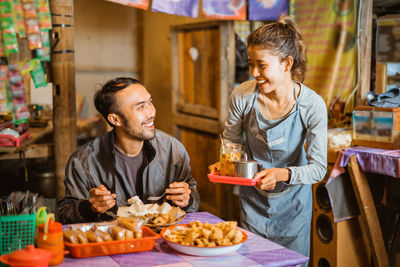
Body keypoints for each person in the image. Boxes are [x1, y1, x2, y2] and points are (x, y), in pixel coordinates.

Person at [209, 15, 327, 262]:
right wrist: (226, 165)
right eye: (251, 64)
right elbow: (231, 142)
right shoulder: (243, 96)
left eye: (262, 65)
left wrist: (281, 174)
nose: (254, 73)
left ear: (286, 63)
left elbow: (318, 169)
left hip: (294, 206)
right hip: (253, 204)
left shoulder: (311, 105)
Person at [57, 77, 200, 224]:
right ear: (115, 120)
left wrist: (187, 199)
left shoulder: (172, 149)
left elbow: (193, 200)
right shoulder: (83, 161)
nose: (151, 112)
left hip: (163, 240)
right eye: (141, 107)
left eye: (150, 102)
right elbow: (63, 214)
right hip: (115, 242)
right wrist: (89, 207)